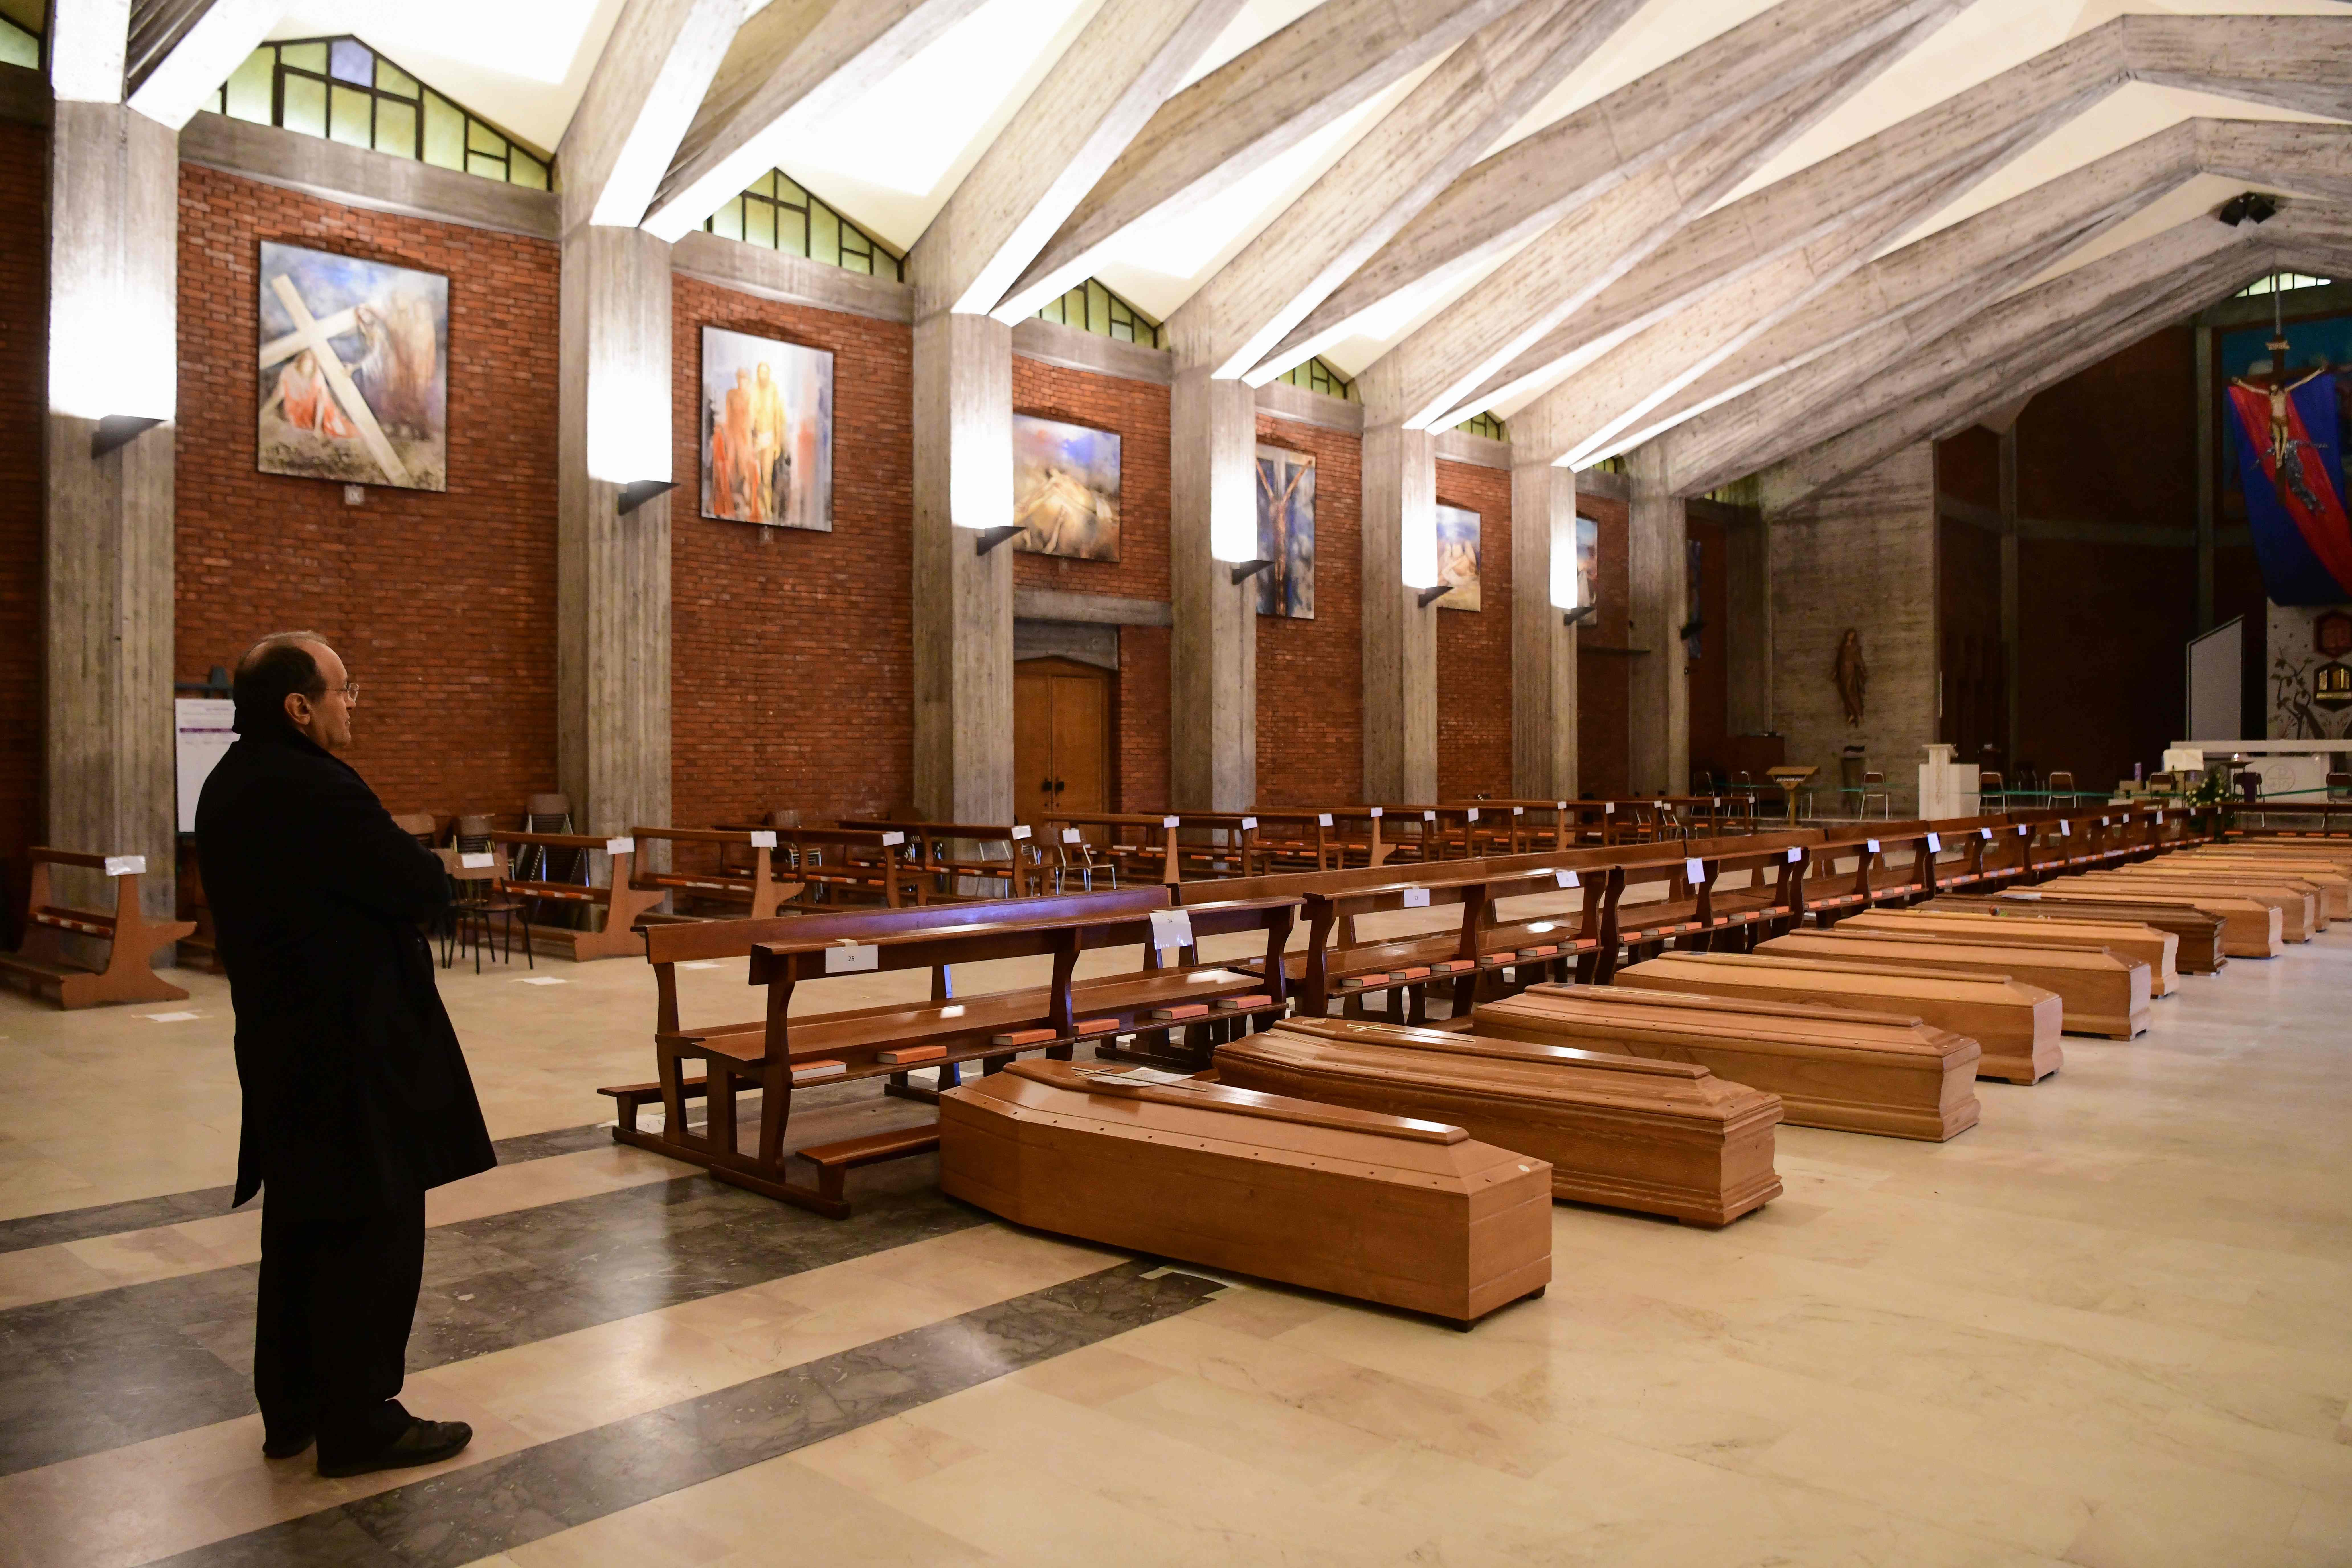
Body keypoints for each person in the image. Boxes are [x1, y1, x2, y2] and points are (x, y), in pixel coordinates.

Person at [196, 632, 494, 1477]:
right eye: (342, 689)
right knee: (375, 1229)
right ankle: (362, 1419)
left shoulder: (228, 786)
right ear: (299, 708)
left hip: (283, 1046)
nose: (352, 702)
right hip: (355, 1053)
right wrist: (424, 876)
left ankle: (291, 1408)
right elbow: (425, 886)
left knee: (301, 1227)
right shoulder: (315, 787)